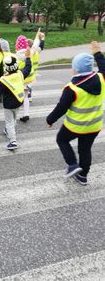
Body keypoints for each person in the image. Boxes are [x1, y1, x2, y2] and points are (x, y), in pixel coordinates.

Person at [46, 41, 105, 185]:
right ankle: (83, 176)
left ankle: (72, 164)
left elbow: (61, 108)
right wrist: (97, 53)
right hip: (94, 126)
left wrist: (50, 119)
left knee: (62, 139)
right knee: (85, 149)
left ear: (76, 70)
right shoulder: (101, 78)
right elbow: (103, 66)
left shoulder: (72, 88)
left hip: (75, 126)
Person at [0, 49, 32, 150]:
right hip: (19, 102)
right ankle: (7, 130)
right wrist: (28, 58)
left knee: (9, 122)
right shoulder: (20, 74)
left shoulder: (4, 80)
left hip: (8, 105)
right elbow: (28, 68)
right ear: (16, 66)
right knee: (13, 119)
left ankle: (13, 141)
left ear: (6, 68)